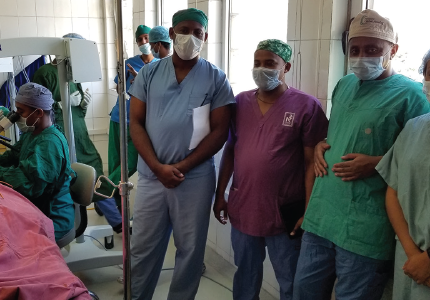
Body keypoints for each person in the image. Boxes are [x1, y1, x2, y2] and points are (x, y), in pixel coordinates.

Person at [293, 9, 430, 300]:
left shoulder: (412, 96)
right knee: (304, 292)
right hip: (322, 214)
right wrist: (322, 144)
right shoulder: (345, 84)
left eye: (372, 49)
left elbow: (425, 160)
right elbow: (342, 132)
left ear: (392, 50)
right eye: (355, 49)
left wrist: (379, 163)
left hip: (366, 226)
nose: (361, 56)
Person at [128, 8, 235, 300]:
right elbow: (135, 122)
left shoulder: (216, 79)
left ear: (206, 37)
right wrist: (157, 166)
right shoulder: (150, 73)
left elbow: (219, 131)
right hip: (152, 177)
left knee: (190, 250)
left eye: (197, 32)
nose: (190, 37)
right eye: (184, 30)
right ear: (172, 33)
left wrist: (184, 166)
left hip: (195, 179)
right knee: (143, 249)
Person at [214, 39, 328, 300]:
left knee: (289, 278)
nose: (261, 69)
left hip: (285, 210)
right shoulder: (240, 103)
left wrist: (309, 210)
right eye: (257, 63)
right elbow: (230, 151)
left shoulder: (305, 106)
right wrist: (220, 194)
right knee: (245, 274)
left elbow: (313, 163)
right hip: (244, 206)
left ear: (285, 66)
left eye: (269, 63)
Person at [377, 41, 430, 299]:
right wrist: (414, 254)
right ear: (424, 76)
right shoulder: (413, 128)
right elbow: (393, 193)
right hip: (409, 258)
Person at [31, 33, 123, 232]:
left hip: (79, 133)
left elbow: (77, 111)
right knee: (72, 179)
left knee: (95, 171)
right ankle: (99, 222)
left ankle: (111, 214)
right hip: (59, 135)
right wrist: (59, 105)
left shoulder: (73, 73)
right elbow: (36, 109)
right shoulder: (45, 73)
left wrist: (82, 104)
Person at [0, 83, 75, 242]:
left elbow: (27, 184)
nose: (16, 116)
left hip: (52, 217)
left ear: (38, 112)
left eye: (21, 111)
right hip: (35, 208)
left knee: (0, 240)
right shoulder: (33, 134)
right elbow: (12, 157)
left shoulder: (49, 144)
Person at [95, 25, 159, 223]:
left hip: (140, 123)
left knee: (129, 165)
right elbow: (118, 87)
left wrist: (141, 82)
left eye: (146, 38)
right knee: (115, 163)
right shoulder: (129, 63)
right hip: (118, 118)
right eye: (140, 39)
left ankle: (101, 194)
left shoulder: (160, 66)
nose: (143, 42)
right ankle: (118, 214)